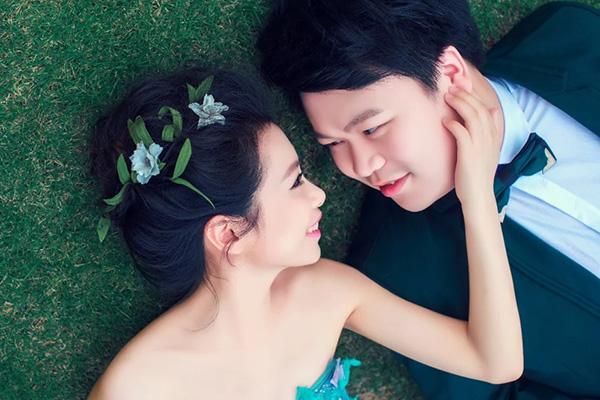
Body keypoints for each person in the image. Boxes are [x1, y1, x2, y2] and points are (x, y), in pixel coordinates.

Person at [87, 67, 521, 400]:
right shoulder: (139, 388)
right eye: (295, 182)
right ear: (229, 233)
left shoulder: (324, 292)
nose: (319, 194)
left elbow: (494, 360)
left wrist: (477, 200)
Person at [257, 1, 600, 399]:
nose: (360, 166)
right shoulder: (398, 268)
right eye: (334, 143)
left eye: (372, 128)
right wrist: (478, 206)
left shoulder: (572, 39)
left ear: (451, 74)